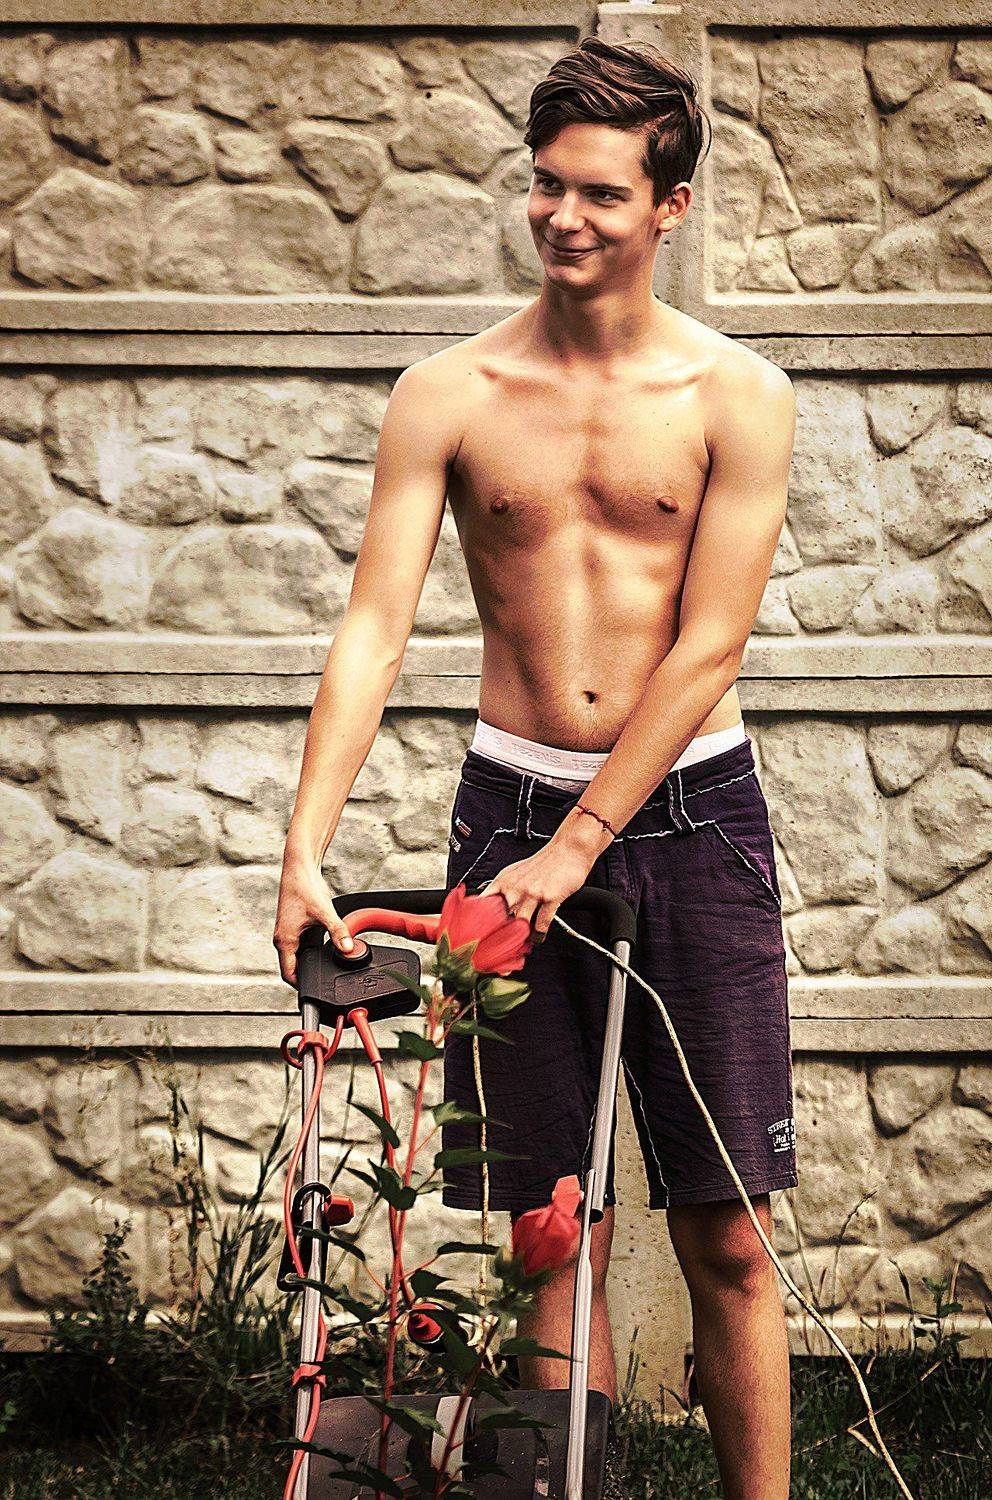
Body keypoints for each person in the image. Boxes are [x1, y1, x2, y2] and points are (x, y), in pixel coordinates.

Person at [274, 35, 797, 1499]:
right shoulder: (447, 392)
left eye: (603, 194)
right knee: (552, 1228)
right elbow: (375, 628)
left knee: (728, 1231)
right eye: (547, 185)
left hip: (691, 819)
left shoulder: (737, 394)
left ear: (670, 208)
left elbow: (710, 646)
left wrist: (581, 844)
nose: (565, 217)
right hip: (505, 810)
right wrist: (302, 848)